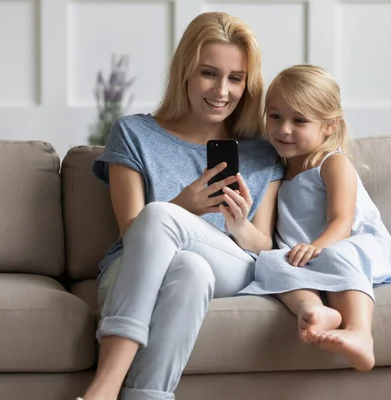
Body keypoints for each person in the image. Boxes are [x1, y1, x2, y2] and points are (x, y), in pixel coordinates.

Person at [79, 12, 283, 400]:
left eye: (235, 78)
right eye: (209, 73)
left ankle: (102, 390)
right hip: (132, 272)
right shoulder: (134, 133)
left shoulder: (262, 152)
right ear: (185, 72)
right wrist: (184, 205)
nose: (222, 90)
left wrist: (239, 225)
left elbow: (267, 248)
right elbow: (131, 232)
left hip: (234, 266)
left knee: (162, 218)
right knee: (190, 267)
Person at [238, 64, 391, 372]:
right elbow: (268, 239)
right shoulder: (275, 170)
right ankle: (315, 310)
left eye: (299, 120)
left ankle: (359, 332)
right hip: (307, 256)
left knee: (337, 252)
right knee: (268, 262)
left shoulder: (333, 164)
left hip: (349, 245)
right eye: (275, 116)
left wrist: (317, 246)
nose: (283, 129)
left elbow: (342, 221)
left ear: (329, 126)